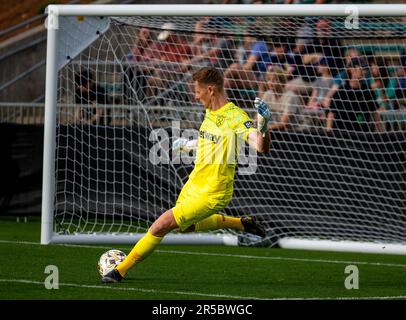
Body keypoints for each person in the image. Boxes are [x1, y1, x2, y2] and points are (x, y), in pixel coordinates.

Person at [101, 66, 272, 283]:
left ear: (210, 90)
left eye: (198, 91)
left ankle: (119, 271)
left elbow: (260, 147)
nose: (195, 95)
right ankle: (240, 223)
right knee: (187, 227)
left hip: (213, 192)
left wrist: (264, 125)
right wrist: (187, 145)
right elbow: (209, 142)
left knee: (161, 225)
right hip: (195, 183)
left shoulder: (236, 117)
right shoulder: (210, 111)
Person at [326, 57, 385, 133]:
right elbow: (331, 114)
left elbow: (375, 114)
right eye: (361, 68)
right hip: (343, 135)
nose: (364, 72)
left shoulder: (367, 90)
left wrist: (383, 133)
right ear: (351, 70)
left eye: (365, 69)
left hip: (363, 135)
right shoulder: (342, 91)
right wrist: (328, 132)